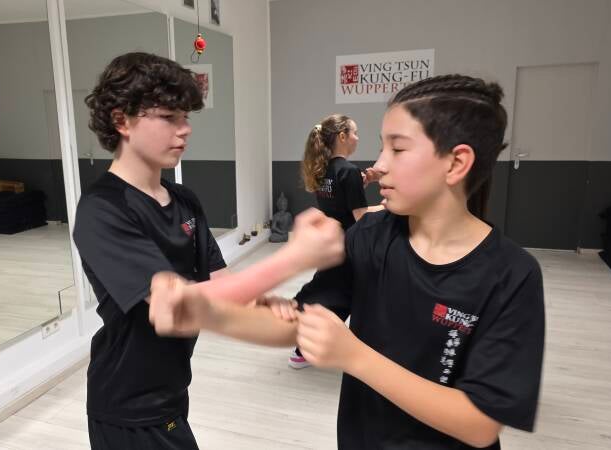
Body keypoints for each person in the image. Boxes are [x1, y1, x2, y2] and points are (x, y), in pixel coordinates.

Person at [149, 74, 546, 449]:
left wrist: (354, 356)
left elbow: (479, 425)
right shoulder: (372, 237)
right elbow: (301, 323)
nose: (381, 163)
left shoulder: (511, 275)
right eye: (380, 145)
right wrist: (208, 313)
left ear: (456, 163)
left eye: (398, 147)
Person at [72, 52, 343, 449]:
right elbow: (175, 307)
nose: (185, 130)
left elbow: (218, 283)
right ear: (121, 120)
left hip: (172, 390)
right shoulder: (102, 209)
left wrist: (261, 303)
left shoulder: (184, 200)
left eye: (186, 118)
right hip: (128, 406)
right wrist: (294, 258)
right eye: (169, 117)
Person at [288, 114, 384, 368]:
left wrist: (362, 182)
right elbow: (361, 216)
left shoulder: (324, 170)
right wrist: (388, 206)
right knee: (343, 297)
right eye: (354, 133)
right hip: (350, 247)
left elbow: (338, 200)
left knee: (326, 290)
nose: (357, 138)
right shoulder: (348, 172)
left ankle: (304, 343)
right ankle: (306, 347)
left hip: (330, 245)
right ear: (342, 136)